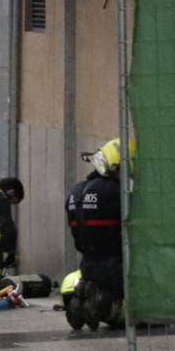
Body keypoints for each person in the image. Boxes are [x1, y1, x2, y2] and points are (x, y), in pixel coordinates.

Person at [65, 139, 125, 329]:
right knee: (136, 317)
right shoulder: (117, 192)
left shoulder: (76, 191)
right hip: (117, 263)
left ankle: (83, 299)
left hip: (88, 263)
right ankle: (101, 305)